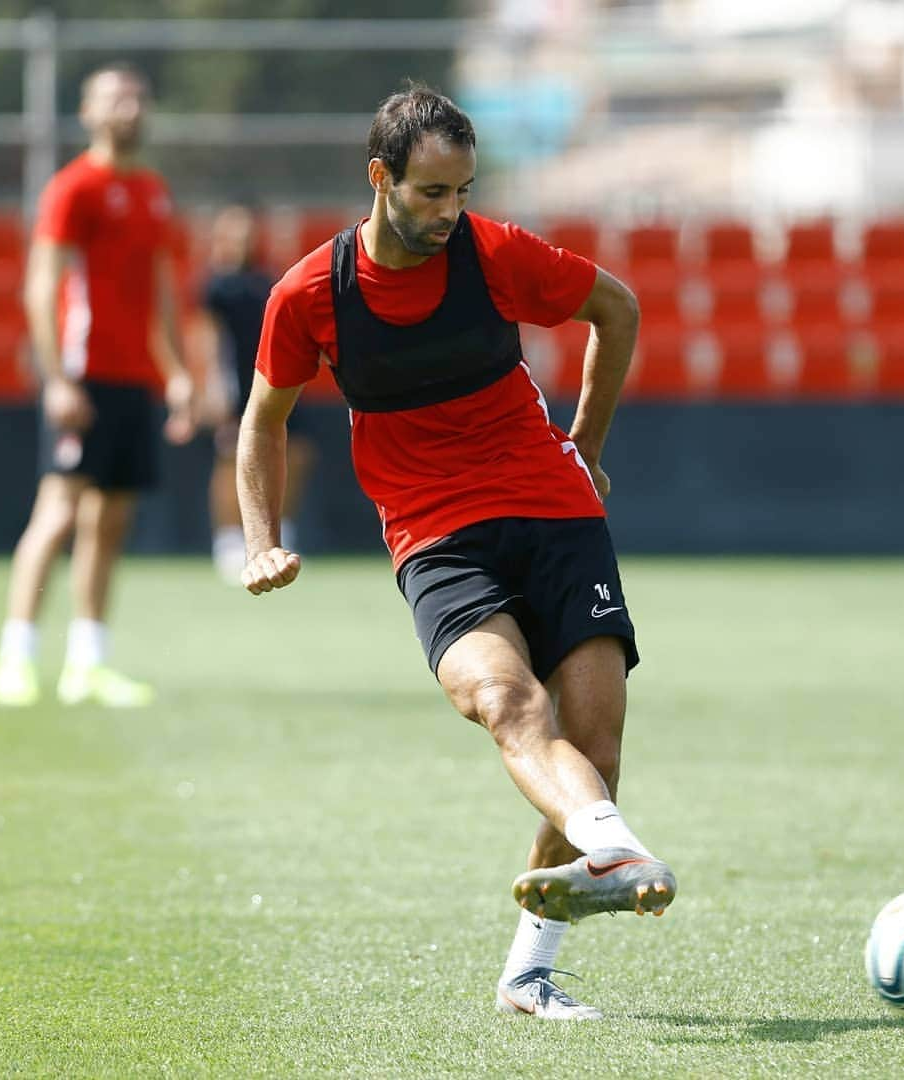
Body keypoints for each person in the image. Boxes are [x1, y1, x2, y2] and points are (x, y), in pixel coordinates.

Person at [237, 84, 675, 1021]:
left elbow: (619, 308)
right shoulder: (311, 294)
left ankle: (528, 972)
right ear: (379, 177)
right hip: (435, 534)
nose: (449, 213)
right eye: (431, 192)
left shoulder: (494, 253)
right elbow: (263, 419)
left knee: (596, 739)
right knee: (504, 700)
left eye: (462, 192)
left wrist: (586, 447)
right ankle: (613, 843)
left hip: (552, 510)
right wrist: (262, 540)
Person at [0, 62, 193, 709]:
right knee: (57, 515)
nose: (128, 108)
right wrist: (57, 378)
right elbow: (43, 283)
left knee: (110, 521)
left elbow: (160, 290)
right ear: (87, 111)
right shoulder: (73, 188)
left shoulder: (153, 191)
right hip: (84, 378)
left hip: (135, 381)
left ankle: (87, 663)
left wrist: (180, 372)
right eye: (113, 98)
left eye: (136, 96)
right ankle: (14, 657)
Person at [198, 205, 315, 582]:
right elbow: (207, 337)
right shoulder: (215, 286)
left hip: (274, 381)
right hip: (235, 385)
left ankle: (285, 530)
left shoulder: (267, 280)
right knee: (229, 458)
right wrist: (214, 383)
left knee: (295, 453)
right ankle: (230, 539)